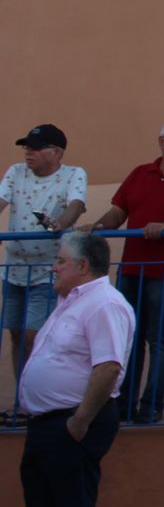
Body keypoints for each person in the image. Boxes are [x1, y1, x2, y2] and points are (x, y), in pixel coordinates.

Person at [2, 232, 134, 507]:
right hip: (47, 422)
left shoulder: (105, 304)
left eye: (60, 260)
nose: (53, 266)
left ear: (82, 266)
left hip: (73, 423)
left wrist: (78, 421)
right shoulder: (70, 301)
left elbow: (109, 367)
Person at [83, 120, 164, 423]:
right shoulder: (140, 173)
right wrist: (97, 227)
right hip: (132, 270)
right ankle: (124, 403)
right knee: (128, 337)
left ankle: (151, 405)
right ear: (162, 142)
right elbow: (118, 212)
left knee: (159, 339)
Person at [1, 125, 88, 388]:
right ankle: (22, 398)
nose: (28, 152)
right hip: (13, 270)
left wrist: (61, 223)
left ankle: (33, 399)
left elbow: (76, 205)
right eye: (27, 147)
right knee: (16, 334)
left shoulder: (74, 174)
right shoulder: (16, 172)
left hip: (48, 271)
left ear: (56, 153)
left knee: (32, 336)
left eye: (35, 148)